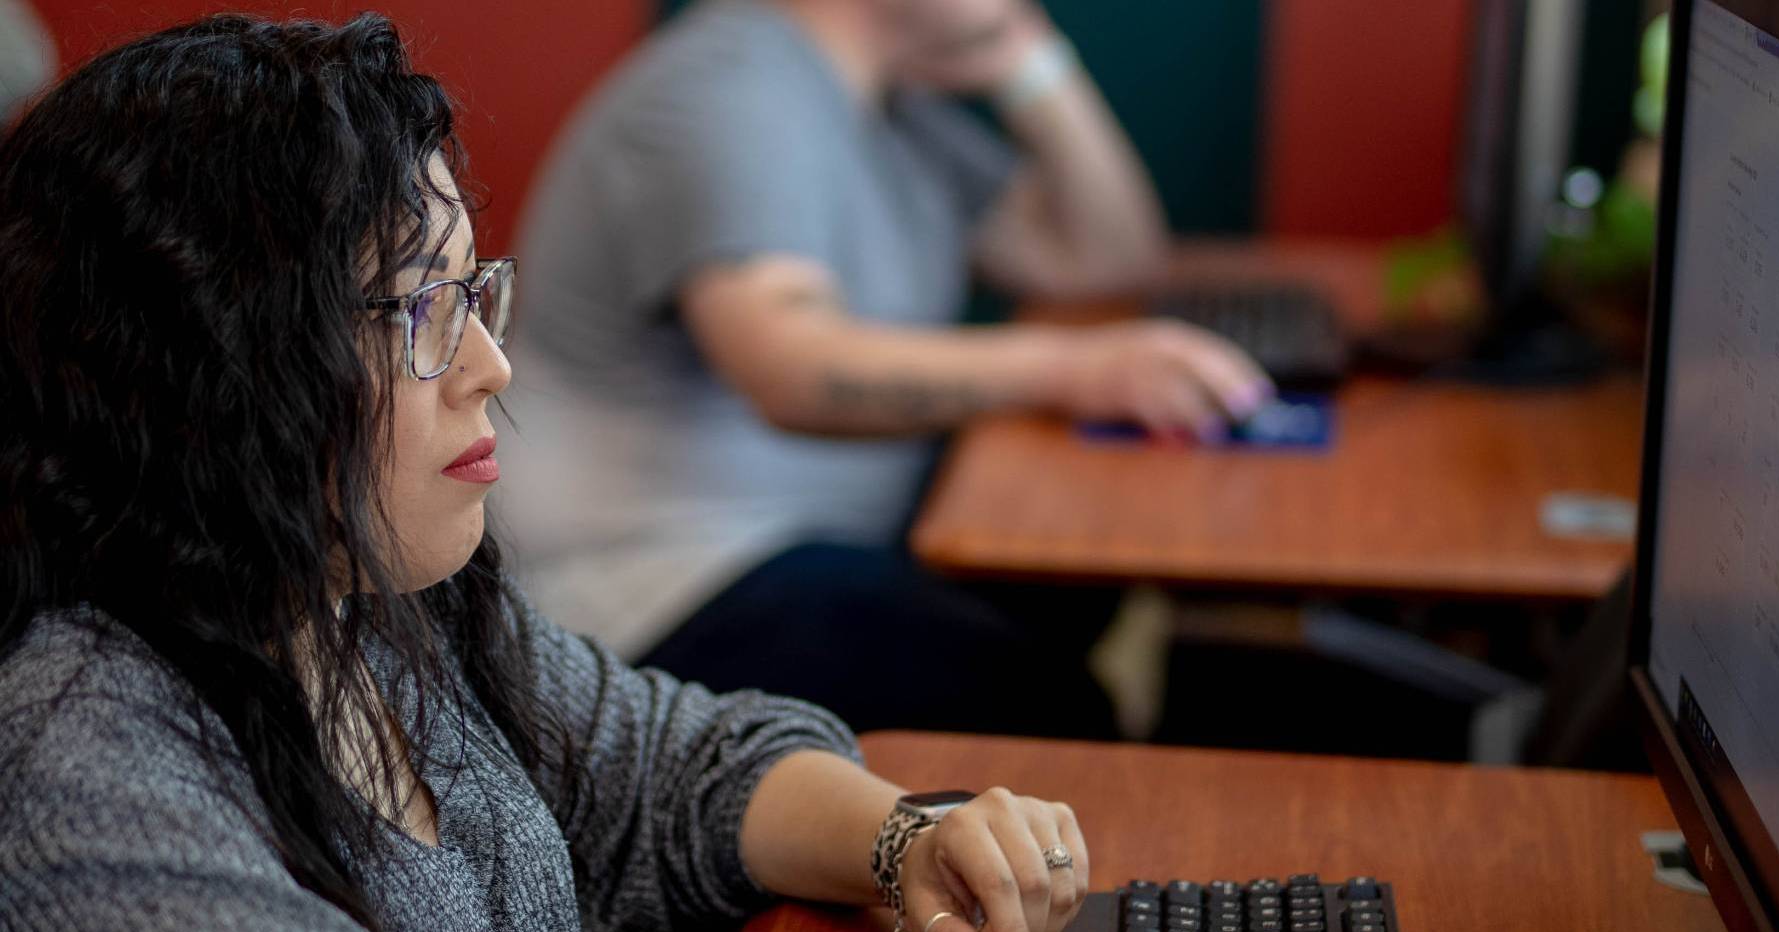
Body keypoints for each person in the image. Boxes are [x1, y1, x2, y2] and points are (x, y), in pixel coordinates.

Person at [0, 16, 1088, 932]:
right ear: (216, 362)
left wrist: (906, 840)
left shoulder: (364, 600)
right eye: (421, 309)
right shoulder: (85, 788)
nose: (490, 367)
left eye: (473, 294)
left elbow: (666, 767)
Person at [499, 0, 1274, 733]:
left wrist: (1028, 58)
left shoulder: (891, 113)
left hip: (822, 533)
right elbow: (789, 369)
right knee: (1055, 713)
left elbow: (1109, 257)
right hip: (658, 584)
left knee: (1077, 592)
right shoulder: (728, 87)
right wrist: (1075, 370)